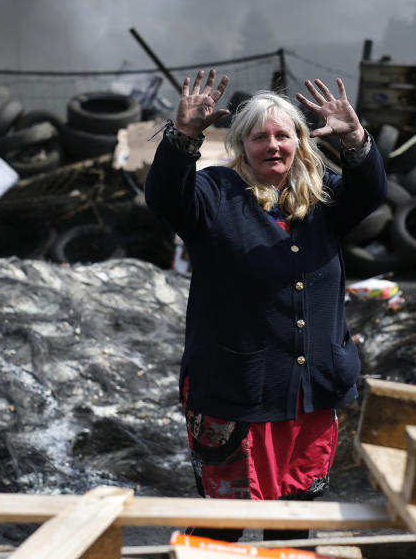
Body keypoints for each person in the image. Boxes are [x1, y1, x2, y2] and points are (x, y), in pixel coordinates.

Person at [145, 69, 386, 542]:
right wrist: (184, 136)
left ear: (300, 140)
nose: (273, 146)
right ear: (241, 144)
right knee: (226, 519)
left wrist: (357, 138)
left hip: (309, 391)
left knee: (294, 519)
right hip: (238, 389)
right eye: (260, 137)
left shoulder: (324, 198)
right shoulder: (214, 195)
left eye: (284, 135)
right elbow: (164, 197)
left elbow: (372, 191)